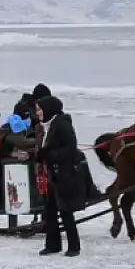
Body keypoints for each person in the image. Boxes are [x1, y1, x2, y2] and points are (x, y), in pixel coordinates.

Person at [35, 95, 84, 257]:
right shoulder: (44, 126)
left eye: (40, 109)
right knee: (49, 212)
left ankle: (74, 247)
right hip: (49, 173)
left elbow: (70, 149)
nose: (38, 113)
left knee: (65, 211)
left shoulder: (62, 124)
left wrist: (49, 154)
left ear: (48, 109)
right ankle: (53, 245)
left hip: (63, 174)